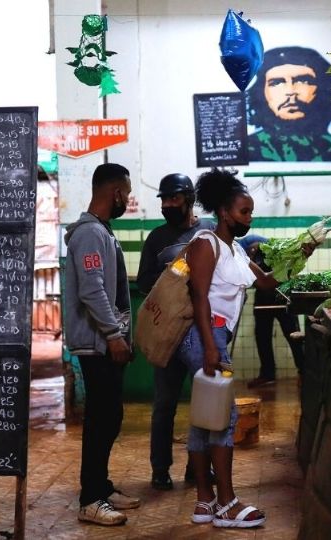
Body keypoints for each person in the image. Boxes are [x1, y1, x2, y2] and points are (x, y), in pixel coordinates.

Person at [179, 168, 317, 528]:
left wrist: (302, 254)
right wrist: (211, 347)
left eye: (250, 212)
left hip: (213, 336)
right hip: (205, 336)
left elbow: (268, 281)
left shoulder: (235, 249)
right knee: (224, 419)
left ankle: (204, 501)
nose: (249, 218)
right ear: (224, 212)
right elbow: (199, 296)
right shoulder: (206, 244)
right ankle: (227, 503)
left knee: (204, 420)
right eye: (244, 212)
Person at [63, 163, 140, 526]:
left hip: (106, 342)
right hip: (97, 345)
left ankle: (102, 486)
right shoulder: (89, 235)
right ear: (116, 193)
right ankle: (90, 499)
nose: (127, 199)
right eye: (126, 192)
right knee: (100, 419)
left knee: (110, 417)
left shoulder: (101, 232)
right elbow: (92, 290)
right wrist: (113, 334)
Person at [137, 173, 215, 491]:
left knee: (204, 404)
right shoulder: (156, 238)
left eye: (174, 199)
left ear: (189, 199)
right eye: (164, 200)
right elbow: (143, 282)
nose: (168, 205)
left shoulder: (208, 230)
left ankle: (197, 468)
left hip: (201, 332)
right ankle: (160, 469)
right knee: (164, 404)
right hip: (169, 333)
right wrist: (172, 277)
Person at [246, 46, 331, 162]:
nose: (291, 92)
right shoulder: (248, 149)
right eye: (277, 83)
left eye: (304, 81)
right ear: (261, 91)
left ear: (323, 88)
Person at [238, 235, 306, 388]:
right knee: (262, 337)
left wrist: (259, 247)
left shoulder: (257, 244)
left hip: (282, 293)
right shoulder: (240, 251)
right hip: (263, 296)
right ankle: (267, 374)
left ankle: (304, 371)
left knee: (293, 335)